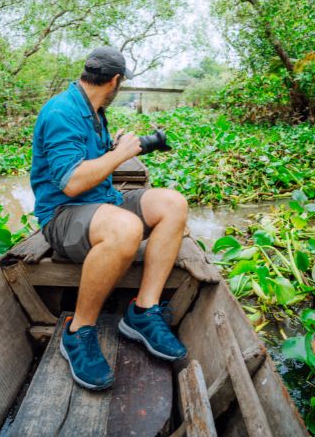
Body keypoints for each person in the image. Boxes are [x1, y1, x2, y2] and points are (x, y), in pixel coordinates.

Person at [30, 47, 189, 391]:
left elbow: (91, 161)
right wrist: (119, 155)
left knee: (173, 203)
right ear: (116, 81)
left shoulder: (94, 110)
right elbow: (71, 182)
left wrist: (113, 148)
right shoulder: (62, 111)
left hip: (104, 201)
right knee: (126, 227)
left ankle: (143, 312)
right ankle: (78, 331)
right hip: (63, 216)